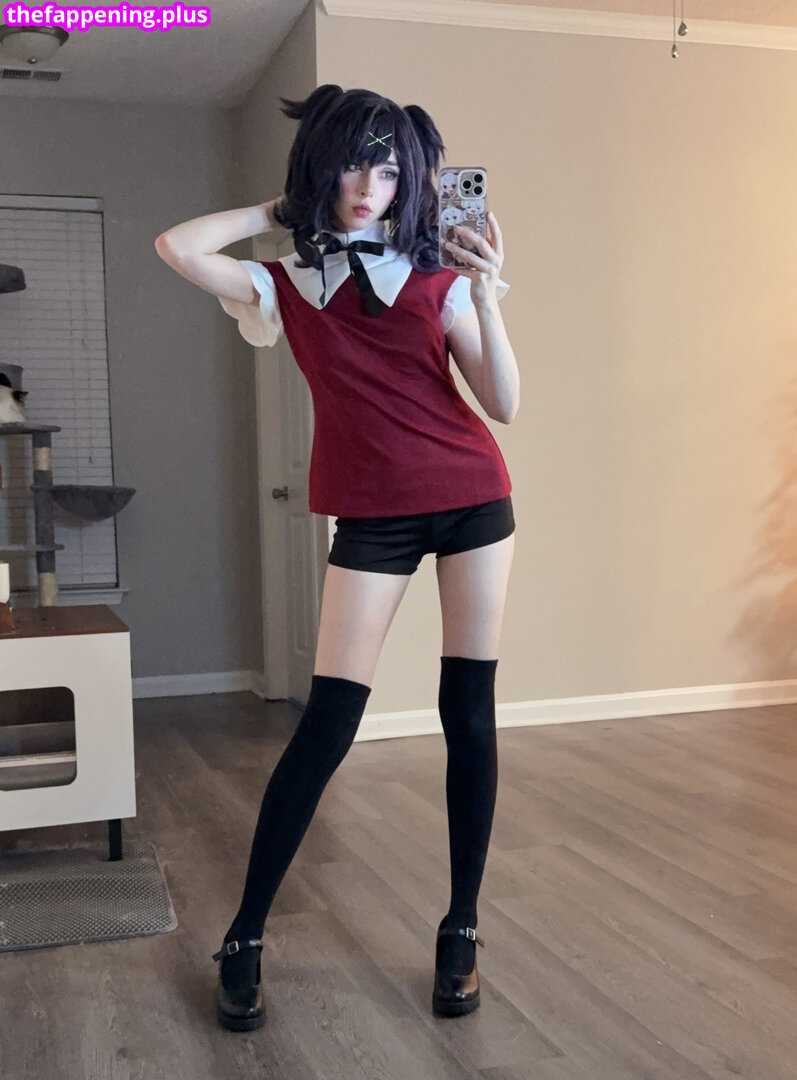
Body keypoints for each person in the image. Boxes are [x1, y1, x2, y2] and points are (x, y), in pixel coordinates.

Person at [155, 84, 519, 1032]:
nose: (370, 187)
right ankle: (245, 933)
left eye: (390, 170)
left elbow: (503, 405)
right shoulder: (282, 284)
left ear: (413, 181)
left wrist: (485, 290)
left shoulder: (436, 280)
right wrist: (284, 208)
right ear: (322, 166)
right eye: (354, 163)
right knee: (327, 725)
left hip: (473, 499)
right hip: (373, 518)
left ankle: (462, 928)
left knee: (468, 714)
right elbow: (178, 247)